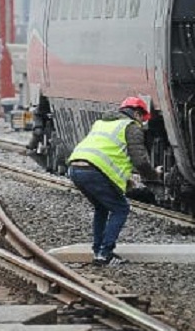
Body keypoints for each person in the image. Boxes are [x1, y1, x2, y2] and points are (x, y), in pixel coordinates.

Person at [66, 97, 162, 266]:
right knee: (121, 209)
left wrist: (125, 181)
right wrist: (154, 175)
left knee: (101, 207)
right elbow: (140, 161)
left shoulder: (102, 123)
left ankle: (98, 251)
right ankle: (105, 253)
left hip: (76, 168)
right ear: (137, 114)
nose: (142, 123)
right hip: (94, 171)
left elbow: (109, 154)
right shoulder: (131, 127)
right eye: (142, 118)